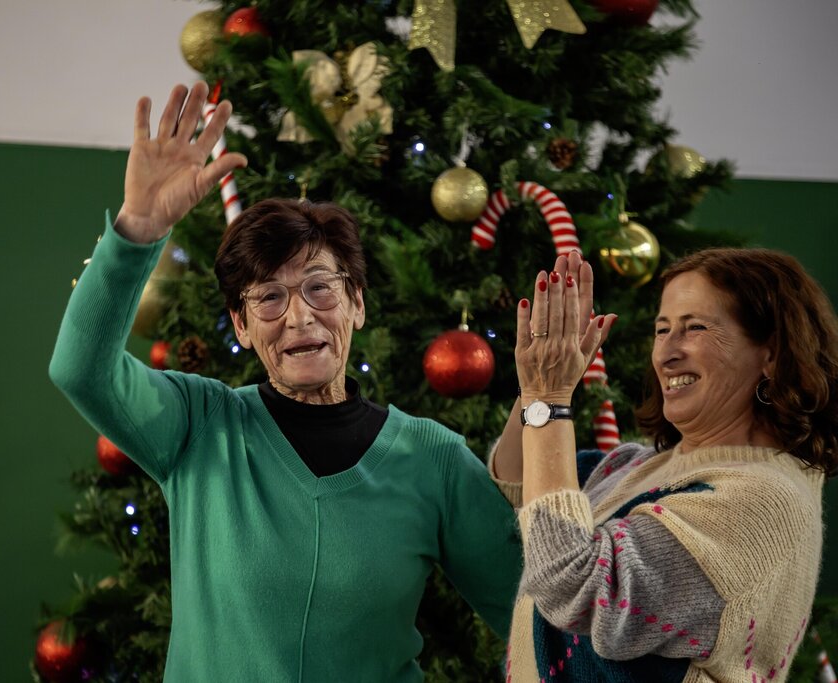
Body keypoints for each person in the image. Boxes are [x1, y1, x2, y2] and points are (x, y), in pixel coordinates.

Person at [49, 81, 520, 681]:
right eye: (269, 297)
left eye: (320, 288)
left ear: (356, 303)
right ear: (241, 326)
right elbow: (80, 369)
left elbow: (533, 613)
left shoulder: (435, 459)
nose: (298, 317)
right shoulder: (199, 426)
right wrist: (137, 228)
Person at [489, 248, 837, 681]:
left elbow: (578, 589)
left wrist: (550, 398)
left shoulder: (765, 503)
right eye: (662, 329)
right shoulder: (636, 465)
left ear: (771, 354)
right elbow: (520, 480)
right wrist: (537, 384)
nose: (666, 354)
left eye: (695, 328)